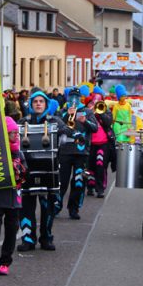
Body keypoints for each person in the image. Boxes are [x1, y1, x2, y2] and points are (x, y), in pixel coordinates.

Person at [17, 90, 65, 253]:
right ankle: (28, 238)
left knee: (47, 207)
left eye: (41, 101)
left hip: (48, 170)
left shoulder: (55, 121)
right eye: (35, 101)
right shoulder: (23, 121)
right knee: (26, 207)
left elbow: (67, 134)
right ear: (31, 104)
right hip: (28, 171)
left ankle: (46, 237)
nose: (38, 104)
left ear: (46, 104)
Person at [0, 116, 25, 277]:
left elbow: (24, 174)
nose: (15, 135)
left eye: (16, 132)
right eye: (11, 132)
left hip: (14, 199)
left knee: (11, 230)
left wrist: (19, 170)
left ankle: (5, 262)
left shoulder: (18, 152)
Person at [56, 87, 97, 220]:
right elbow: (56, 128)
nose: (74, 100)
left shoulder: (87, 111)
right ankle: (57, 205)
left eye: (76, 97)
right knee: (62, 181)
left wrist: (85, 121)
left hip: (81, 152)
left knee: (78, 181)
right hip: (65, 152)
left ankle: (74, 208)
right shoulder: (61, 111)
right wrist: (67, 114)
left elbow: (95, 128)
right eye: (71, 97)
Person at [87, 86, 113, 198]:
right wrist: (90, 112)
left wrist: (100, 112)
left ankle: (100, 188)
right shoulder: (86, 111)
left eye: (98, 102)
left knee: (100, 164)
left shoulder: (106, 111)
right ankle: (90, 186)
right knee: (90, 166)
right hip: (90, 143)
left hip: (103, 143)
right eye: (94, 102)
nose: (96, 104)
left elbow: (108, 123)